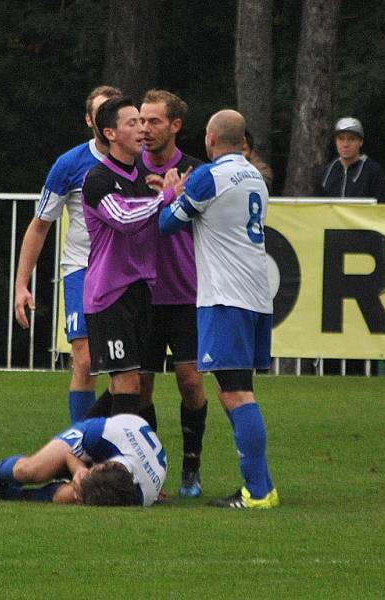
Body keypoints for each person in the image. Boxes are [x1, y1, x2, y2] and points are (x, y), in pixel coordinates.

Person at [159, 109, 279, 509]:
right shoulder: (255, 177)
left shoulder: (211, 176)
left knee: (235, 392)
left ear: (211, 139)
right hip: (256, 295)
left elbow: (167, 224)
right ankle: (260, 485)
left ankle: (259, 491)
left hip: (225, 296)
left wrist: (172, 191)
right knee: (239, 389)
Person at [14, 85, 122, 424]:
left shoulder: (139, 160)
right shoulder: (70, 164)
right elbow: (40, 225)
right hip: (83, 270)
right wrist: (21, 284)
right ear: (90, 120)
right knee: (87, 361)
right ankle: (80, 446)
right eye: (101, 112)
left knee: (130, 371)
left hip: (127, 274)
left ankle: (119, 443)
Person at [79, 96, 180, 428]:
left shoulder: (141, 178)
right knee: (128, 386)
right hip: (110, 296)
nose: (142, 129)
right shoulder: (98, 179)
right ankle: (121, 470)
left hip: (139, 292)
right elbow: (123, 217)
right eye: (132, 123)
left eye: (143, 122)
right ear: (110, 133)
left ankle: (67, 451)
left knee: (123, 386)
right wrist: (164, 197)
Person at [137, 89, 208, 498]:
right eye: (142, 121)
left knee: (190, 383)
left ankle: (191, 468)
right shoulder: (127, 169)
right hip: (141, 296)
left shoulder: (198, 173)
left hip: (186, 295)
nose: (145, 129)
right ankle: (153, 470)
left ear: (175, 126)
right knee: (140, 388)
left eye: (154, 121)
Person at [0, 413, 167, 506]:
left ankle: (4, 494)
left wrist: (79, 491)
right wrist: (78, 472)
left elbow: (92, 492)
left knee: (70, 496)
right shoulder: (103, 435)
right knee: (32, 470)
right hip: (92, 438)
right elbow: (69, 454)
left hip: (125, 463)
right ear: (102, 465)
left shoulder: (139, 497)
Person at [315, 117, 385, 203]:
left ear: (360, 142)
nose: (345, 144)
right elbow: (317, 206)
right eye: (341, 139)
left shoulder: (373, 171)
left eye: (351, 139)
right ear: (335, 141)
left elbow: (381, 206)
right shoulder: (326, 172)